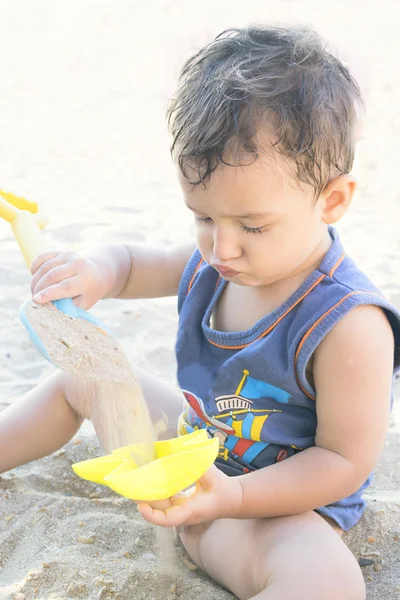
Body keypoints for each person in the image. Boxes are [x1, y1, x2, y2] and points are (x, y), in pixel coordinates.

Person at [1, 25, 399, 600]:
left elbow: (341, 463)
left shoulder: (348, 325)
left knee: (327, 578)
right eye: (204, 217)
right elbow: (135, 264)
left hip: (263, 513)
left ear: (332, 200)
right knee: (81, 376)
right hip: (184, 452)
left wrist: (230, 497)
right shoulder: (217, 262)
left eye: (252, 226)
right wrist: (97, 271)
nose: (222, 248)